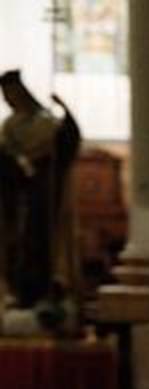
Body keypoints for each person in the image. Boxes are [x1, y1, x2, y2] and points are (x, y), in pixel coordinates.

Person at [0, 70, 80, 308]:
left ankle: (43, 292)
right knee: (18, 243)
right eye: (5, 95)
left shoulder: (44, 121)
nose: (8, 99)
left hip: (43, 192)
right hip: (15, 195)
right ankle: (20, 292)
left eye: (11, 94)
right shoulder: (9, 125)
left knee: (39, 241)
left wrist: (66, 113)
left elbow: (65, 143)